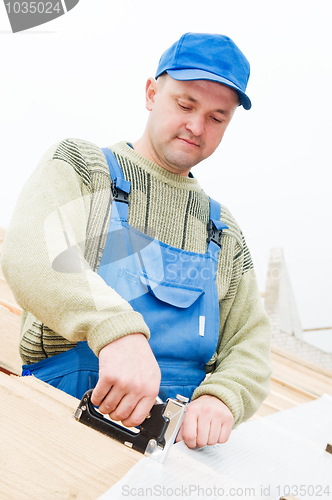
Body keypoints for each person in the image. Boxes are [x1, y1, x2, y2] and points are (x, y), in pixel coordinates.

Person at [2, 32, 271, 449]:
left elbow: (249, 343)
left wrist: (224, 396)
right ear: (151, 93)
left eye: (217, 118)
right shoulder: (84, 169)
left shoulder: (223, 232)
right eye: (185, 104)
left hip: (169, 462)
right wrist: (115, 331)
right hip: (55, 436)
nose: (196, 126)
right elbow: (32, 251)